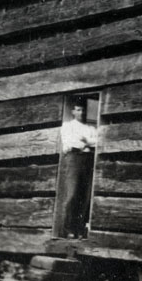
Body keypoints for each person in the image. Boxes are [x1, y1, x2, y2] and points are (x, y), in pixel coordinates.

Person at [58, 101, 98, 238]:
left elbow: (97, 142)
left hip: (88, 159)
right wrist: (87, 143)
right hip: (73, 158)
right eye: (79, 110)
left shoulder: (90, 128)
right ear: (73, 112)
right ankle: (68, 230)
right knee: (72, 194)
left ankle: (79, 229)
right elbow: (70, 143)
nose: (82, 113)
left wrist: (85, 141)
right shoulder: (68, 126)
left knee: (85, 196)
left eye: (83, 110)